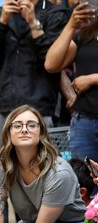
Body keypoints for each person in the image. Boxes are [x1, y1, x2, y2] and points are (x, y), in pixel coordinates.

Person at [0, 0, 68, 161]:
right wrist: (2, 22)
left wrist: (34, 23)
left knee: (40, 167)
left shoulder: (55, 14)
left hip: (39, 105)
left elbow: (53, 61)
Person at [44, 2, 98, 162]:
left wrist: (93, 79)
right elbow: (51, 64)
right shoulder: (86, 34)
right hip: (84, 122)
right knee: (84, 182)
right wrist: (71, 25)